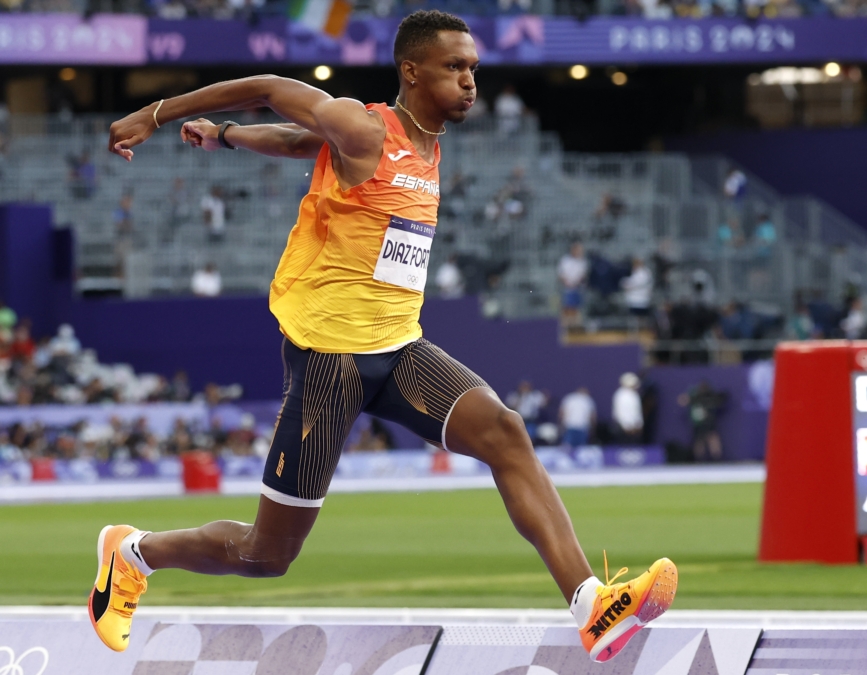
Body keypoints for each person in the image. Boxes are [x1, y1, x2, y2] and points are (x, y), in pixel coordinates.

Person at [95, 11, 675, 662]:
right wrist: (158, 112)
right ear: (413, 71)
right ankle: (132, 550)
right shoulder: (363, 126)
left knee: (506, 432)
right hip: (330, 357)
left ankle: (591, 606)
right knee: (267, 553)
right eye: (455, 68)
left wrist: (227, 136)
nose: (469, 82)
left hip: (398, 347)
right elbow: (267, 84)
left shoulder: (426, 141)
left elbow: (294, 142)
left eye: (474, 69)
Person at [558, 241, 588, 327]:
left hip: (578, 288)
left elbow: (583, 275)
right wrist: (567, 283)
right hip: (568, 289)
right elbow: (561, 275)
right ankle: (566, 328)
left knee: (577, 310)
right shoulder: (565, 261)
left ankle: (576, 328)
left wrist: (577, 282)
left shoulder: (582, 262)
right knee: (567, 309)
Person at [611, 373, 643, 444]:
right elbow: (619, 413)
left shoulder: (635, 395)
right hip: (622, 428)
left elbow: (637, 411)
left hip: (634, 428)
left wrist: (638, 425)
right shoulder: (620, 395)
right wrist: (626, 427)